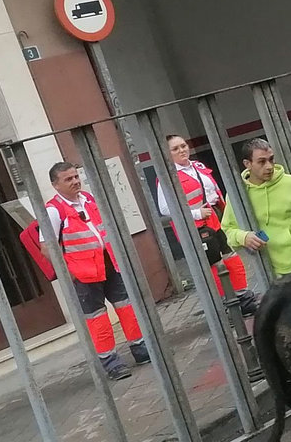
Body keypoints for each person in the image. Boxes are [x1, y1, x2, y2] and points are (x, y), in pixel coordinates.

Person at [43, 162, 149, 381]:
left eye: (75, 176)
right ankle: (112, 363)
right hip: (83, 274)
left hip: (108, 262)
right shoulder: (53, 210)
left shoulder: (87, 199)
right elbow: (46, 246)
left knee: (126, 307)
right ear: (55, 185)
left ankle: (141, 350)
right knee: (97, 318)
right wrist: (69, 272)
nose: (75, 181)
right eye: (68, 179)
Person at [154, 135, 257, 316]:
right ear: (166, 154)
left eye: (183, 145)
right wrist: (196, 213)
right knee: (215, 266)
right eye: (175, 149)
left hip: (216, 219)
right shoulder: (166, 177)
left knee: (231, 258)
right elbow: (165, 208)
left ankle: (244, 298)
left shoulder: (197, 166)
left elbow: (213, 191)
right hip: (196, 227)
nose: (182, 150)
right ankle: (229, 306)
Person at [222, 139, 291, 278]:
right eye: (262, 162)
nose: (269, 166)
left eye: (271, 159)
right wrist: (243, 237)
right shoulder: (237, 194)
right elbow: (228, 229)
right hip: (274, 273)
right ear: (248, 164)